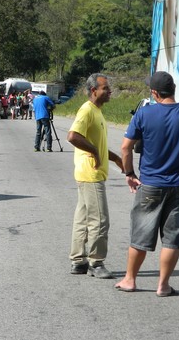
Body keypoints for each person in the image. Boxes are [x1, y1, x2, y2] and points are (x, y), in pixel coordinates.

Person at [117, 71, 179, 296]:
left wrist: (129, 173)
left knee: (140, 235)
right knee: (172, 239)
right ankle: (163, 285)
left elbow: (125, 147)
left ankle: (129, 279)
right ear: (173, 89)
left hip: (151, 184)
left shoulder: (144, 114)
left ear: (154, 93)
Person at [67, 73, 123, 279]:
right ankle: (96, 262)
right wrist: (94, 152)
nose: (109, 91)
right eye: (105, 88)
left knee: (82, 218)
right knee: (100, 219)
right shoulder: (87, 110)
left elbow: (98, 145)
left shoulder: (97, 112)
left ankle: (78, 261)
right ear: (94, 91)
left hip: (87, 173)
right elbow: (73, 136)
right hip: (90, 174)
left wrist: (115, 158)